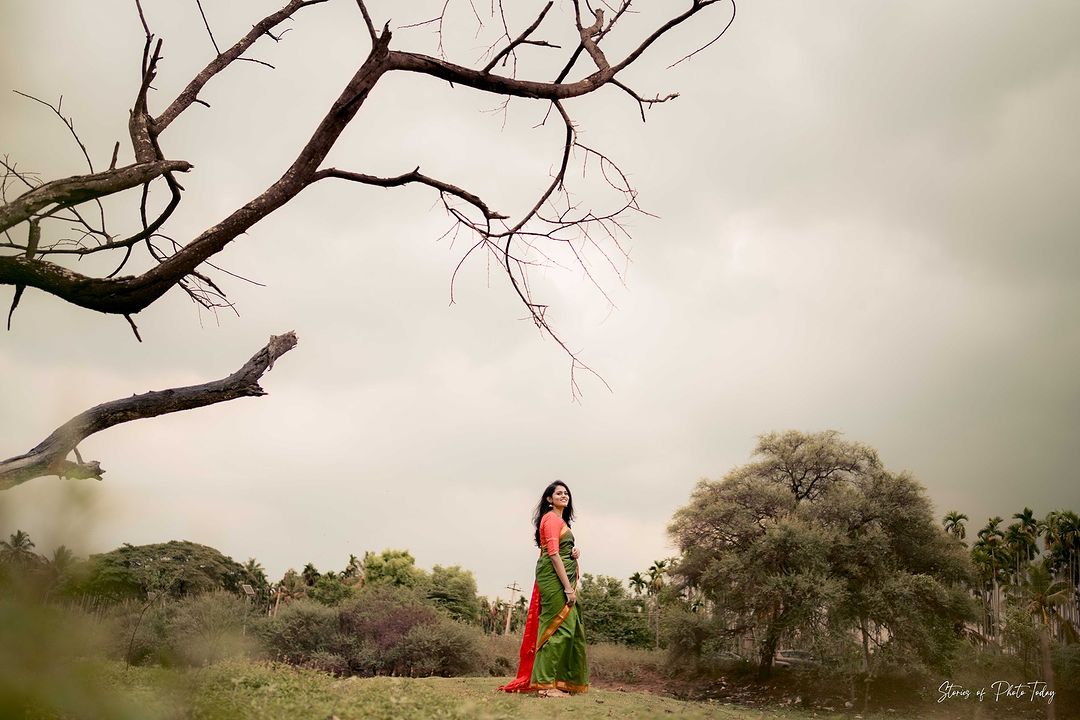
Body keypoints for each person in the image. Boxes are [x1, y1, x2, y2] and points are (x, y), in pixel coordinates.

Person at [499, 481, 589, 696]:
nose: (564, 495)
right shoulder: (550, 519)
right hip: (555, 580)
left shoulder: (560, 521)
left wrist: (574, 552)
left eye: (566, 493)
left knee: (569, 629)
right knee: (557, 630)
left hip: (562, 577)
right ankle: (545, 686)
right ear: (549, 499)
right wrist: (568, 588)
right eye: (559, 493)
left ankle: (559, 681)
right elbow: (553, 555)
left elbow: (561, 549)